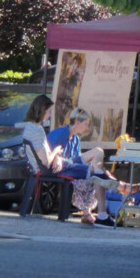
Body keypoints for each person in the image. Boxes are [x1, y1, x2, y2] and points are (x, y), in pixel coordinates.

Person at [19, 97, 119, 227]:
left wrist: (56, 156)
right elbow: (45, 161)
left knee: (97, 157)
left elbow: (45, 155)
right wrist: (56, 153)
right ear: (42, 110)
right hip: (53, 168)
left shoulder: (32, 128)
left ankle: (106, 189)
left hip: (59, 163)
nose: (49, 115)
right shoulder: (38, 131)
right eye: (49, 111)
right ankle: (103, 212)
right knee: (95, 173)